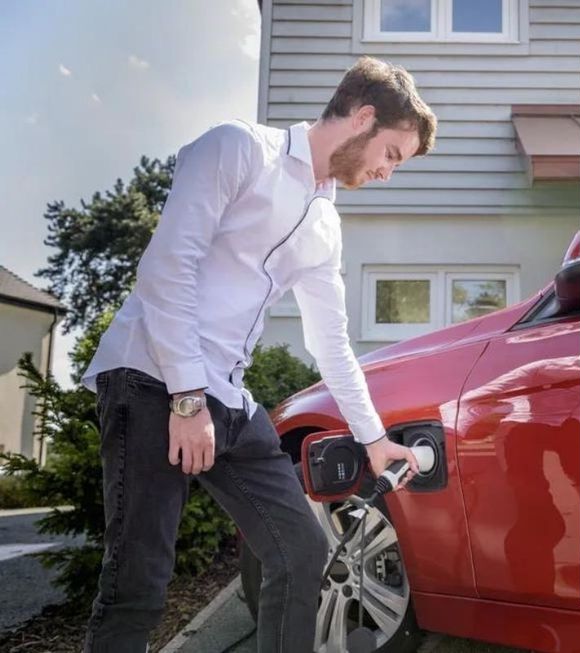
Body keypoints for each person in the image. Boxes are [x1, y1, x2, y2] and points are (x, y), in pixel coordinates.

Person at [79, 56, 437, 652]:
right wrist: (186, 398)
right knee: (138, 578)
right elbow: (168, 268)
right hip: (150, 376)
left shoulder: (325, 222)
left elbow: (331, 341)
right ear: (363, 118)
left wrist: (374, 439)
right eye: (392, 155)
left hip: (224, 397)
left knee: (302, 549)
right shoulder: (239, 148)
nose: (387, 173)